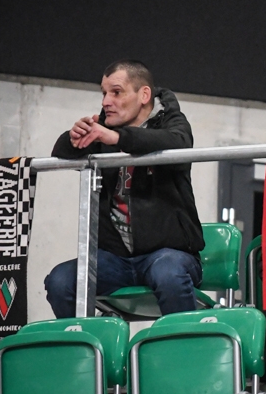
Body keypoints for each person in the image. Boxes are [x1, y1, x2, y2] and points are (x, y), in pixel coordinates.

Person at [44, 60, 205, 317]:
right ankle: (93, 342)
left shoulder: (171, 121)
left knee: (168, 274)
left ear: (144, 95)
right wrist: (72, 139)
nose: (106, 101)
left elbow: (179, 143)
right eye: (104, 93)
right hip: (114, 259)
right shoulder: (104, 128)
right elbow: (62, 154)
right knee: (60, 281)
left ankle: (183, 342)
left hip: (168, 255)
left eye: (116, 92)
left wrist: (120, 138)